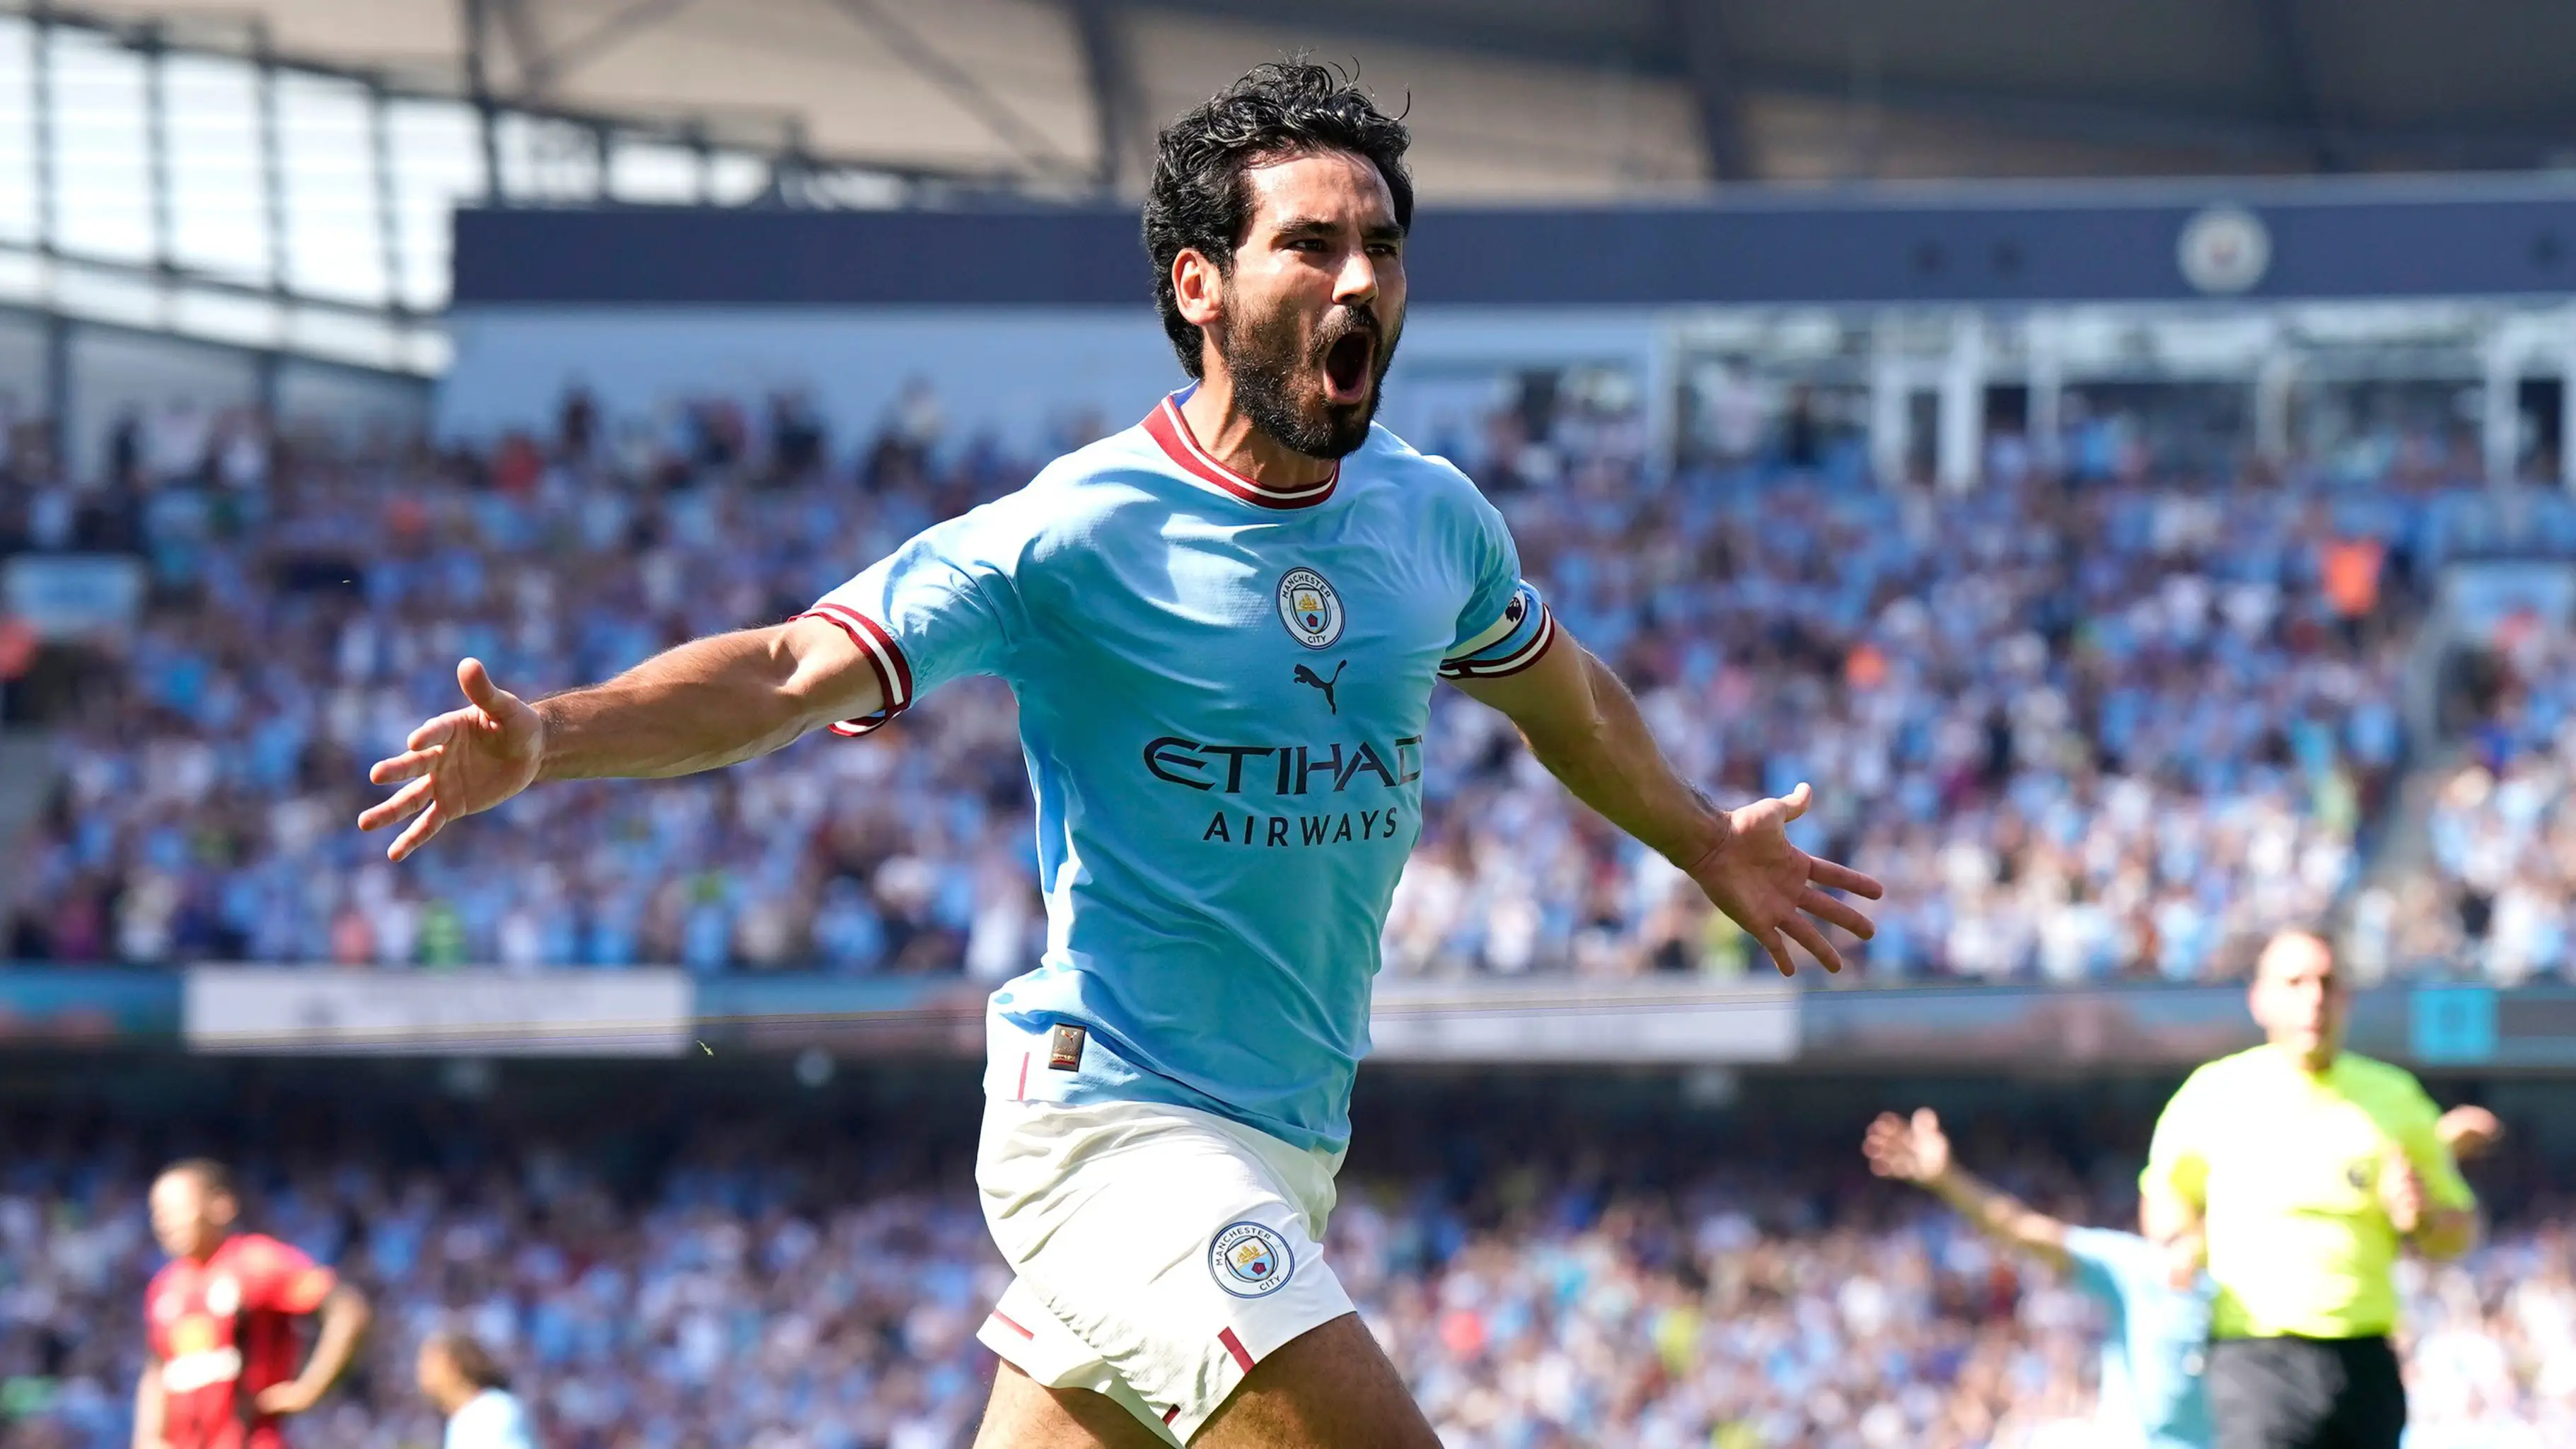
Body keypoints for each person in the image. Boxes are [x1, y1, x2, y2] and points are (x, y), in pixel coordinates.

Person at [358, 61, 1881, 1449]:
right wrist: (552, 735)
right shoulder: (1070, 532)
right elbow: (781, 668)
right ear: (1200, 284)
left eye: (1385, 249)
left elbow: (1562, 694)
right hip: (1114, 1123)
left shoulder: (1434, 523)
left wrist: (1701, 835)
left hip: (1285, 1139)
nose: (1362, 278)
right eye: (1313, 246)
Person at [1864, 1105, 2505, 1449]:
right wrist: (1945, 1178)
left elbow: (2346, 1209)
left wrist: (2437, 1149)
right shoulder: (2130, 1267)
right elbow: (2020, 1228)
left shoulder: (2263, 1265)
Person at [2141, 930, 2479, 1449]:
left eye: (2327, 982)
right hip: (2255, 1353)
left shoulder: (2395, 1097)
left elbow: (2457, 1231)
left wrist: (2426, 1215)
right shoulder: (2214, 1093)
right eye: (2295, 982)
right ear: (2260, 999)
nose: (2314, 998)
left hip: (2363, 1360)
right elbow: (2163, 1196)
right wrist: (2180, 1242)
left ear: (2347, 998)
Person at [133, 1160, 371, 1449]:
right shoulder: (164, 1288)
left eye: (176, 1210)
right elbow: (158, 1367)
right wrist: (149, 1437)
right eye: (158, 1213)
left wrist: (310, 1389)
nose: (165, 1223)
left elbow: (347, 1309)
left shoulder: (256, 1262)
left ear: (221, 1205)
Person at [417, 1331, 537, 1449]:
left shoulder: (495, 1411)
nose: (421, 1371)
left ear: (454, 1365)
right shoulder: (461, 1419)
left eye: (430, 1362)